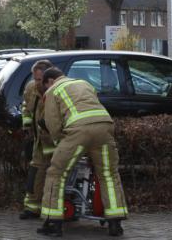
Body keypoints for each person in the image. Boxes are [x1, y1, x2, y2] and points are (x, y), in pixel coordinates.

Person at [37, 67, 127, 237]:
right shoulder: (84, 83)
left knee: (56, 173)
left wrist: (59, 142)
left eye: (44, 84)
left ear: (50, 81)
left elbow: (53, 123)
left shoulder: (52, 90)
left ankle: (53, 223)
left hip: (79, 131)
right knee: (109, 174)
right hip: (105, 127)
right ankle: (115, 223)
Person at [20, 59, 55, 220]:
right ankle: (32, 207)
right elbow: (25, 108)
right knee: (35, 172)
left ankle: (54, 209)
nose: (37, 83)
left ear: (48, 78)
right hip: (39, 140)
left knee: (55, 175)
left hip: (56, 141)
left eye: (40, 80)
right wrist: (27, 125)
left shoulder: (56, 90)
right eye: (35, 79)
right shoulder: (31, 88)